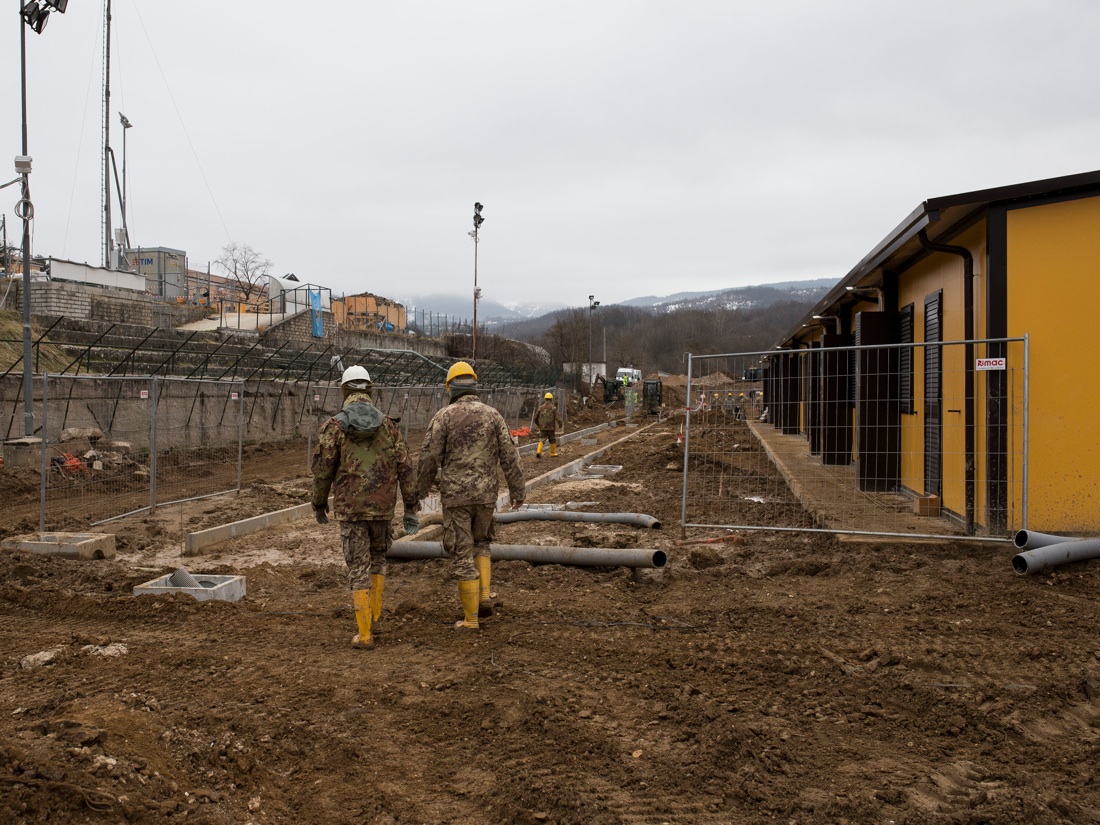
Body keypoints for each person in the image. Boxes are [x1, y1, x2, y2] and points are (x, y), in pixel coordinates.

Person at [311, 365, 420, 649]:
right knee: (378, 560)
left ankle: (365, 633)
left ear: (344, 391)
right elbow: (406, 468)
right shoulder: (389, 426)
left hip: (350, 511)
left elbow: (323, 470)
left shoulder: (334, 427)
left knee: (357, 567)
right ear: (370, 390)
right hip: (383, 510)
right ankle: (375, 617)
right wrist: (410, 508)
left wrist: (319, 504)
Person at [416, 361, 525, 630]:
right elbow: (510, 456)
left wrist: (417, 493)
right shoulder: (493, 415)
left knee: (462, 554)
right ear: (474, 384)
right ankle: (485, 595)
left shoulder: (444, 417)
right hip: (487, 496)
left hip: (457, 498)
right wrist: (517, 491)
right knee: (482, 543)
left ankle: (471, 619)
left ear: (450, 387)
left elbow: (428, 458)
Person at [534, 392, 563, 458]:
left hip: (542, 427)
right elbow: (557, 418)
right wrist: (560, 424)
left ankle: (538, 451)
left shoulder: (540, 408)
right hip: (551, 427)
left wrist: (538, 424)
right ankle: (552, 453)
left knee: (542, 439)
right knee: (552, 439)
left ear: (545, 399)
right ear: (551, 399)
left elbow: (535, 418)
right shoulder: (553, 408)